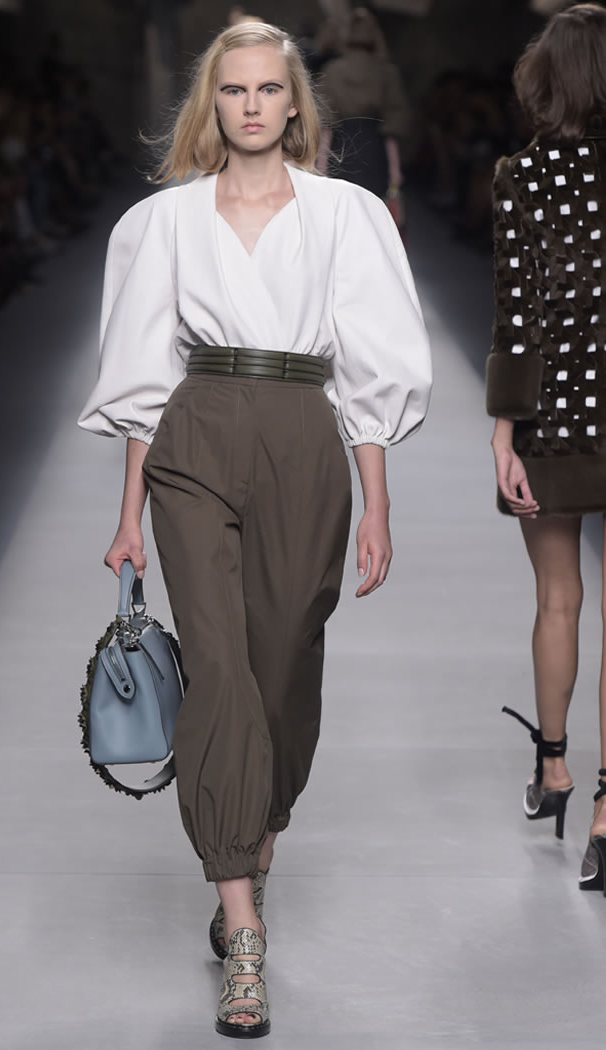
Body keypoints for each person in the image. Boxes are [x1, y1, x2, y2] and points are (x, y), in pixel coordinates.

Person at [78, 21, 431, 1036]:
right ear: (212, 103)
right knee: (221, 672)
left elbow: (370, 356)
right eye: (233, 90)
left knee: (282, 666)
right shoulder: (164, 224)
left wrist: (377, 498)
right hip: (195, 433)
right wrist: (128, 514)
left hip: (303, 434)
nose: (250, 106)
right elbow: (144, 372)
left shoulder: (344, 215)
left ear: (293, 102)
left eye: (268, 89)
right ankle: (242, 930)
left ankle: (254, 837)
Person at [485, 3, 606, 893]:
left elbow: (517, 312)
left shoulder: (521, 176)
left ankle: (555, 769)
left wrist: (503, 430)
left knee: (558, 598)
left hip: (555, 416)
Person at [318, 7, 411, 223]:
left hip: (341, 147)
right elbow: (392, 124)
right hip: (374, 147)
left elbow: (326, 123)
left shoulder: (332, 71)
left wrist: (321, 168)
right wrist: (395, 171)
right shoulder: (386, 72)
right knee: (371, 216)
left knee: (340, 215)